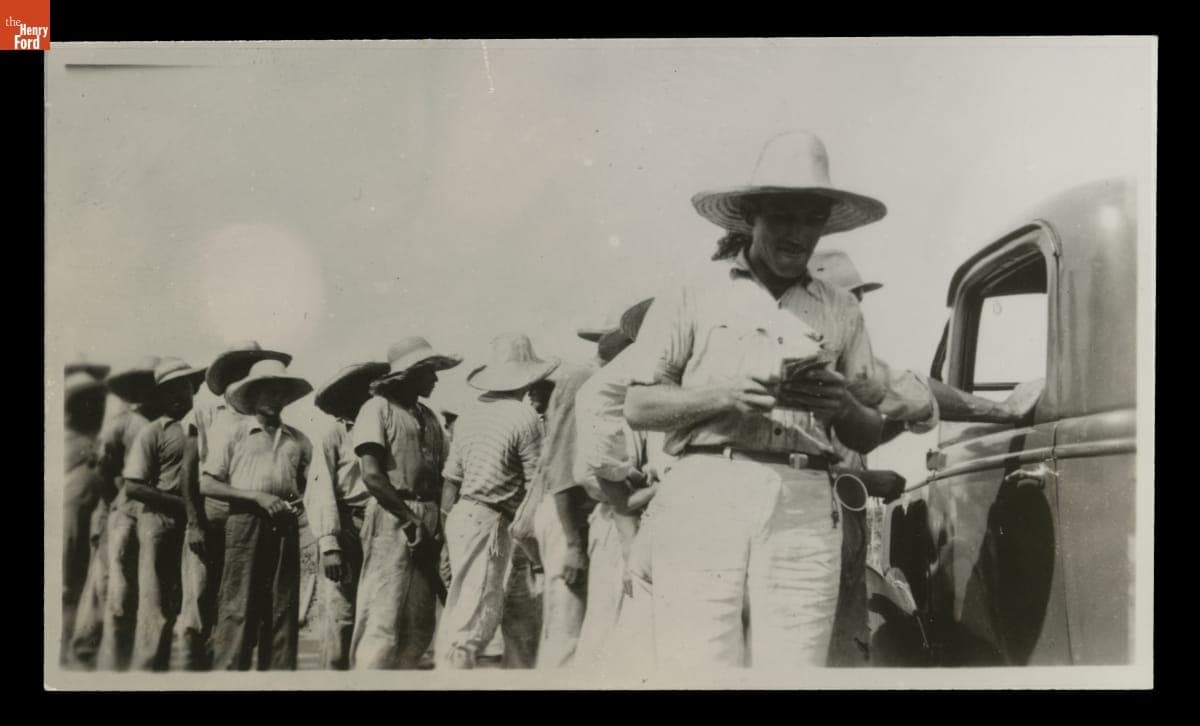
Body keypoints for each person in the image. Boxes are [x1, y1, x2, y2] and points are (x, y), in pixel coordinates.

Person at [622, 130, 892, 670]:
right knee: (697, 667)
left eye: (812, 219)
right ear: (751, 216)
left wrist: (842, 406)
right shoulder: (694, 291)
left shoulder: (841, 309)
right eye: (783, 217)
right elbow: (637, 406)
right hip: (705, 490)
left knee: (794, 670)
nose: (799, 233)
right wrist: (723, 397)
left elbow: (868, 432)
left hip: (805, 500)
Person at [438, 333, 558, 669]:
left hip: (468, 515)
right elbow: (537, 485)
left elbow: (452, 479)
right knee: (474, 620)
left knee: (500, 612)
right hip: (495, 521)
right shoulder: (525, 419)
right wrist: (537, 545)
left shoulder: (467, 417)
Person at [176, 340, 291, 670]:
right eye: (240, 369)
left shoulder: (266, 417)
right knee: (200, 598)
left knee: (243, 602)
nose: (245, 375)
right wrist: (194, 521)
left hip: (252, 522)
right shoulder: (206, 413)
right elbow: (191, 471)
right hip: (212, 515)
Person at [351, 337, 459, 669]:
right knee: (383, 612)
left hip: (426, 513)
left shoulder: (428, 416)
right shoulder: (376, 409)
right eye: (429, 372)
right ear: (408, 374)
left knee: (420, 618)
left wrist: (437, 522)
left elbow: (442, 475)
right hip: (391, 514)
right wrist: (409, 518)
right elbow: (372, 475)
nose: (435, 379)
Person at [200, 358, 312, 670]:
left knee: (282, 608)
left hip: (284, 526)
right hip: (245, 522)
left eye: (281, 393)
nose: (275, 399)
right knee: (238, 606)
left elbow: (308, 487)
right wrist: (256, 497)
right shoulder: (234, 433)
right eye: (268, 392)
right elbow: (207, 483)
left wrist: (298, 503)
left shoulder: (299, 440)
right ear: (253, 395)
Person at [571, 298, 664, 670]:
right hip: (620, 524)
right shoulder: (614, 404)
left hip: (631, 518)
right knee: (614, 628)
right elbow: (605, 486)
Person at [71, 355, 158, 670]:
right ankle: (91, 651)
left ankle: (96, 648)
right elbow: (103, 473)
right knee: (108, 583)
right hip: (117, 509)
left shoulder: (153, 423)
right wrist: (115, 502)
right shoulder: (122, 424)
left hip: (137, 509)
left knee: (117, 582)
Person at [304, 361, 390, 670]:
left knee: (378, 609)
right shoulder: (334, 436)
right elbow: (320, 489)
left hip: (381, 523)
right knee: (341, 611)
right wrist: (330, 544)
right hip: (346, 524)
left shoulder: (386, 427)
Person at [122, 357, 206, 670]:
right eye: (169, 389)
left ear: (193, 388)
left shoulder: (204, 427)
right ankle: (147, 675)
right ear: (159, 395)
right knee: (154, 607)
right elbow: (134, 486)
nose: (178, 395)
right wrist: (184, 505)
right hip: (159, 521)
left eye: (183, 386)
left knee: (195, 604)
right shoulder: (153, 432)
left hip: (197, 525)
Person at [62, 369, 108, 665]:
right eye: (88, 401)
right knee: (71, 587)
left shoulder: (94, 439)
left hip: (93, 520)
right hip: (74, 517)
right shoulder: (69, 441)